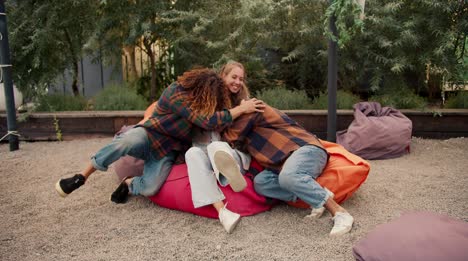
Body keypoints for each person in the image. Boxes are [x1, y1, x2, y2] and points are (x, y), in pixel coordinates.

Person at [55, 68, 264, 204]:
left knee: (151, 187)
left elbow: (214, 118)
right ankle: (81, 176)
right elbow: (206, 120)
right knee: (127, 141)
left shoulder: (203, 104)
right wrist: (239, 110)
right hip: (149, 135)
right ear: (199, 89)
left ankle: (129, 183)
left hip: (167, 150)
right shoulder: (176, 92)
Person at [222, 104, 354, 236]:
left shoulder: (254, 108)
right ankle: (319, 194)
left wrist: (221, 123)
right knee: (261, 183)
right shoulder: (240, 129)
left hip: (306, 150)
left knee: (288, 176)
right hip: (282, 165)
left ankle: (340, 213)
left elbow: (228, 135)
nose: (237, 82)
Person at [185, 61, 264, 233]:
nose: (237, 82)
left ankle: (230, 173)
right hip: (207, 152)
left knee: (217, 147)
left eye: (241, 79)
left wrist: (243, 109)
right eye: (233, 77)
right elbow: (208, 121)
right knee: (191, 154)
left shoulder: (245, 101)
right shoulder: (209, 98)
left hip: (235, 153)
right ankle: (223, 213)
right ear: (223, 76)